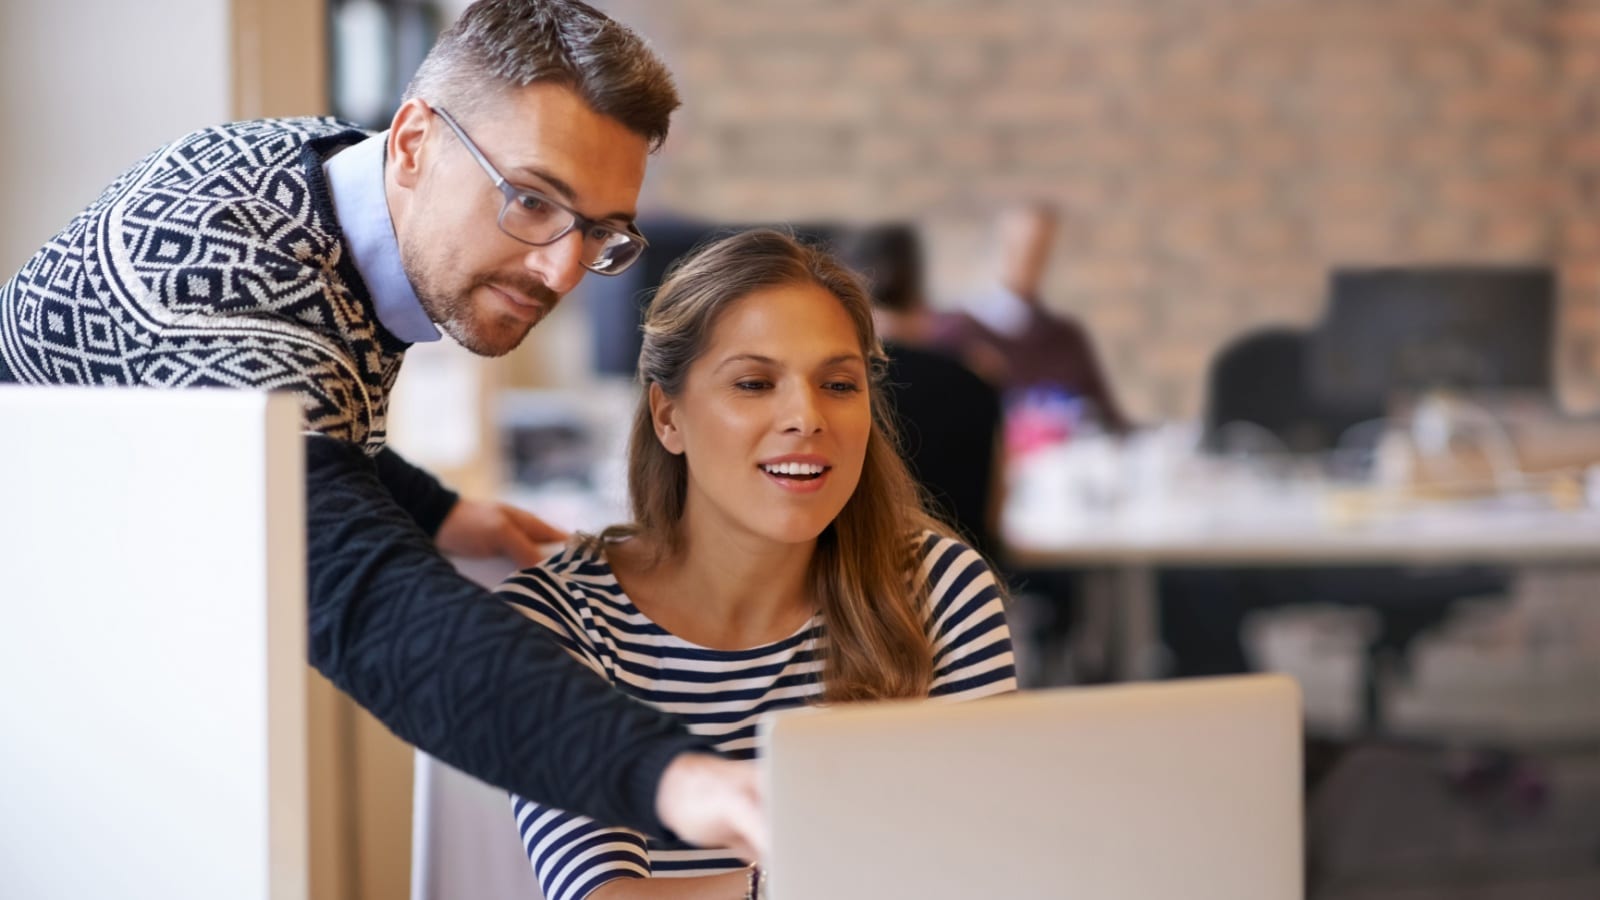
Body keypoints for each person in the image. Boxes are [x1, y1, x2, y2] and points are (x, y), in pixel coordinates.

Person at [0, 0, 760, 857]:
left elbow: (296, 426)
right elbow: (365, 600)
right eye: (532, 200)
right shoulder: (221, 289)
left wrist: (434, 509)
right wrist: (671, 773)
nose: (561, 269)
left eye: (600, 232)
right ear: (411, 143)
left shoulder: (312, 172)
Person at [496, 229, 1017, 900]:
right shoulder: (562, 619)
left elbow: (986, 868)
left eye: (838, 383)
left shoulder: (940, 589)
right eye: (753, 382)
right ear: (668, 417)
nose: (806, 416)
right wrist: (811, 871)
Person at [834, 223, 1005, 562]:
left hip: (862, 584)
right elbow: (996, 509)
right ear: (918, 292)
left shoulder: (836, 385)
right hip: (963, 586)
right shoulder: (976, 379)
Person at [935, 202, 1131, 438]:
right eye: (1021, 247)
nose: (1030, 261)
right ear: (997, 244)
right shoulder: (952, 336)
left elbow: (1113, 424)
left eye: (1042, 249)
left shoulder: (1066, 338)